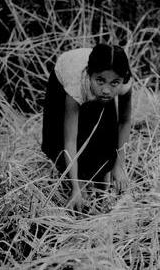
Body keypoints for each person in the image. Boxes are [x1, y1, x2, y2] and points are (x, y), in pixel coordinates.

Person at [42, 43, 132, 211]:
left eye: (114, 83)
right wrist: (75, 188)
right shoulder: (76, 85)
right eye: (100, 81)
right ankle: (75, 182)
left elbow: (124, 122)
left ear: (122, 79)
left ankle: (102, 184)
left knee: (106, 137)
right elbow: (69, 141)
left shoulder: (123, 83)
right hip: (63, 81)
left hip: (93, 84)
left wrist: (119, 165)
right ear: (90, 75)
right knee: (57, 138)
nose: (106, 90)